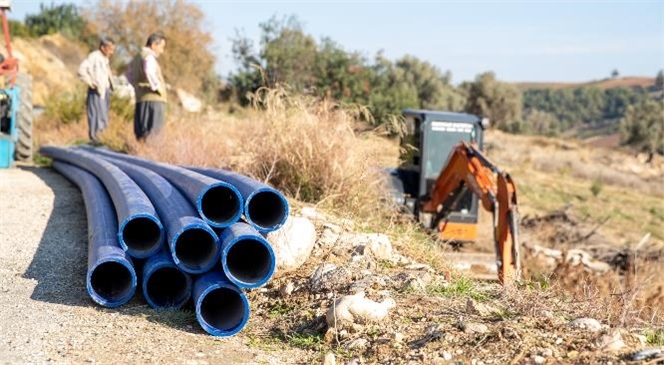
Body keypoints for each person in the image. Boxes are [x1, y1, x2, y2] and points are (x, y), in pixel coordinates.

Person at [126, 32, 167, 141]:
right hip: (154, 99)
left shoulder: (136, 57)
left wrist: (135, 86)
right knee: (154, 133)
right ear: (154, 45)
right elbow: (149, 71)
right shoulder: (149, 57)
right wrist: (157, 87)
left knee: (141, 133)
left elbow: (129, 74)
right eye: (161, 47)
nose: (162, 51)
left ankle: (140, 154)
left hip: (140, 98)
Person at [77, 37, 115, 143]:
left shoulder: (105, 59)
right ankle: (95, 139)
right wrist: (91, 82)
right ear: (103, 47)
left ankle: (103, 139)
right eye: (110, 49)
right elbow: (81, 70)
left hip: (105, 91)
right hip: (97, 91)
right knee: (96, 116)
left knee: (103, 115)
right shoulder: (94, 57)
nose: (112, 52)